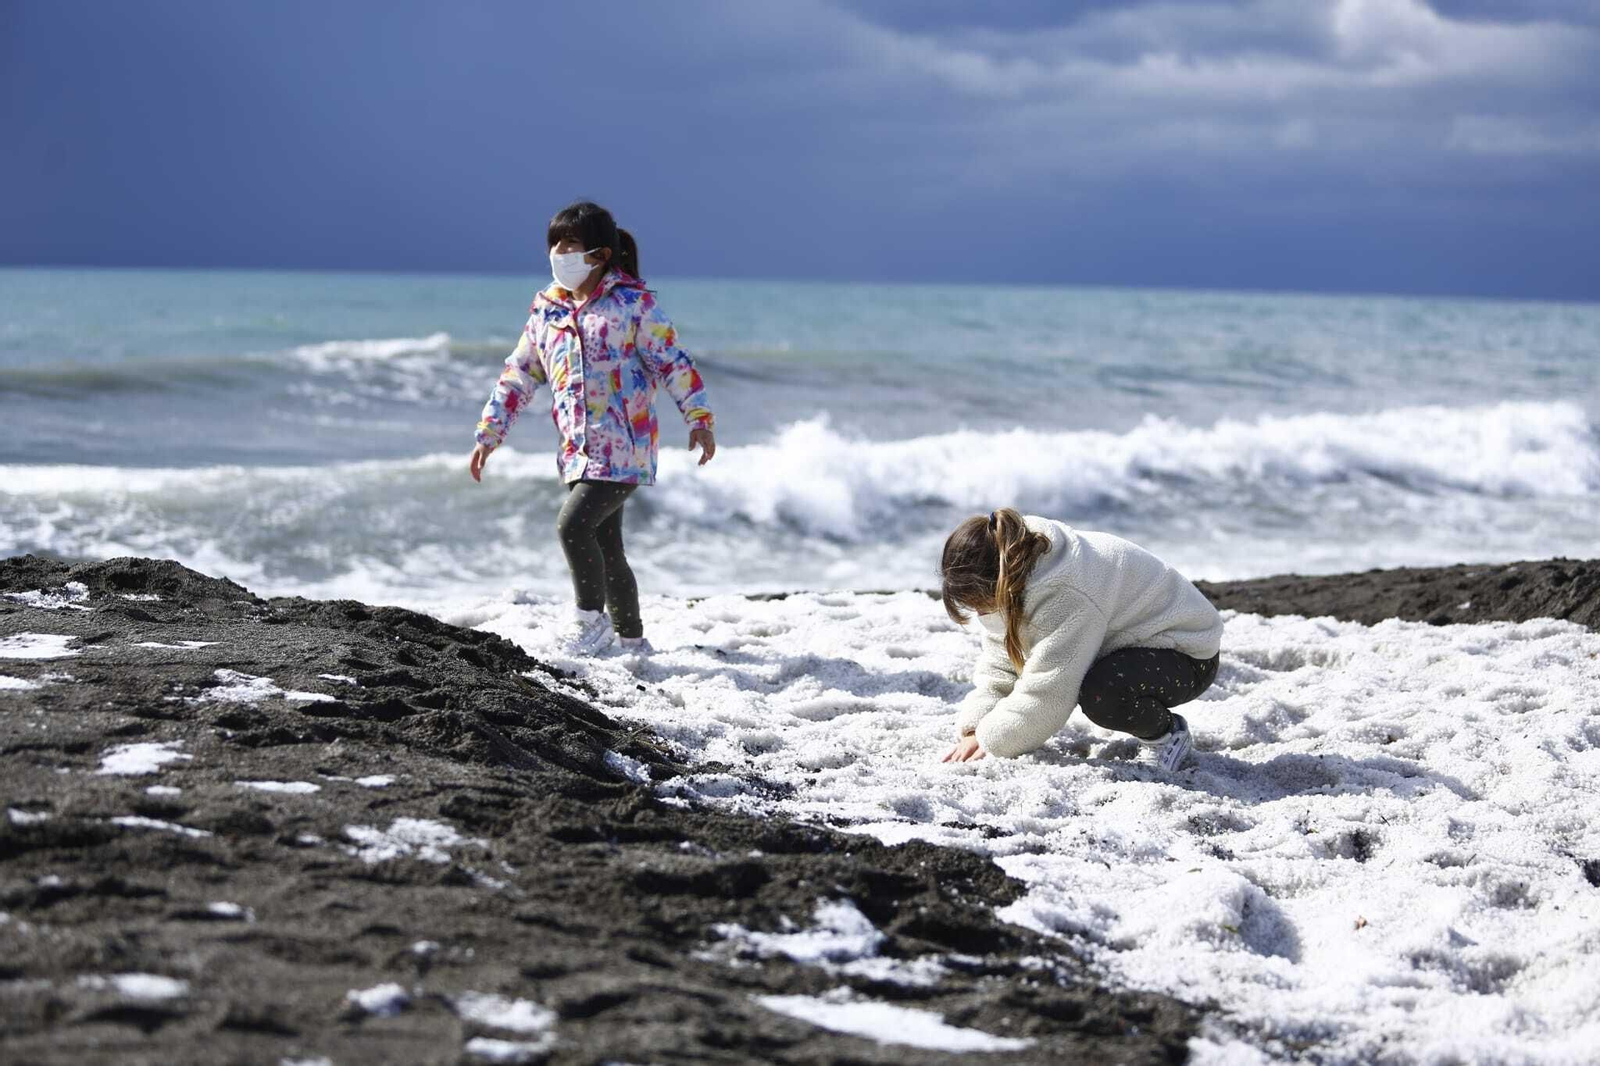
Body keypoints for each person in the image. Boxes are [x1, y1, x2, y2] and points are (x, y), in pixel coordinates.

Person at [469, 201, 715, 656]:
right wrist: (490, 433)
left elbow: (673, 362)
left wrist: (698, 419)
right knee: (608, 546)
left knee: (571, 528)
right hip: (578, 450)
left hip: (626, 447)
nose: (560, 252)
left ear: (599, 254)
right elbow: (520, 374)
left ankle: (589, 622)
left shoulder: (633, 304)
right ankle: (632, 641)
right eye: (555, 243)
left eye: (571, 244)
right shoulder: (548, 311)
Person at [938, 508, 1222, 770]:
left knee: (1102, 693)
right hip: (1136, 641)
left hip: (1189, 653)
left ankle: (1167, 734)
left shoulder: (1065, 593)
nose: (979, 612)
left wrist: (992, 741)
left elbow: (1050, 694)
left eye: (981, 604)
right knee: (1095, 679)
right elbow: (1001, 663)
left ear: (1000, 585)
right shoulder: (1015, 562)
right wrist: (975, 728)